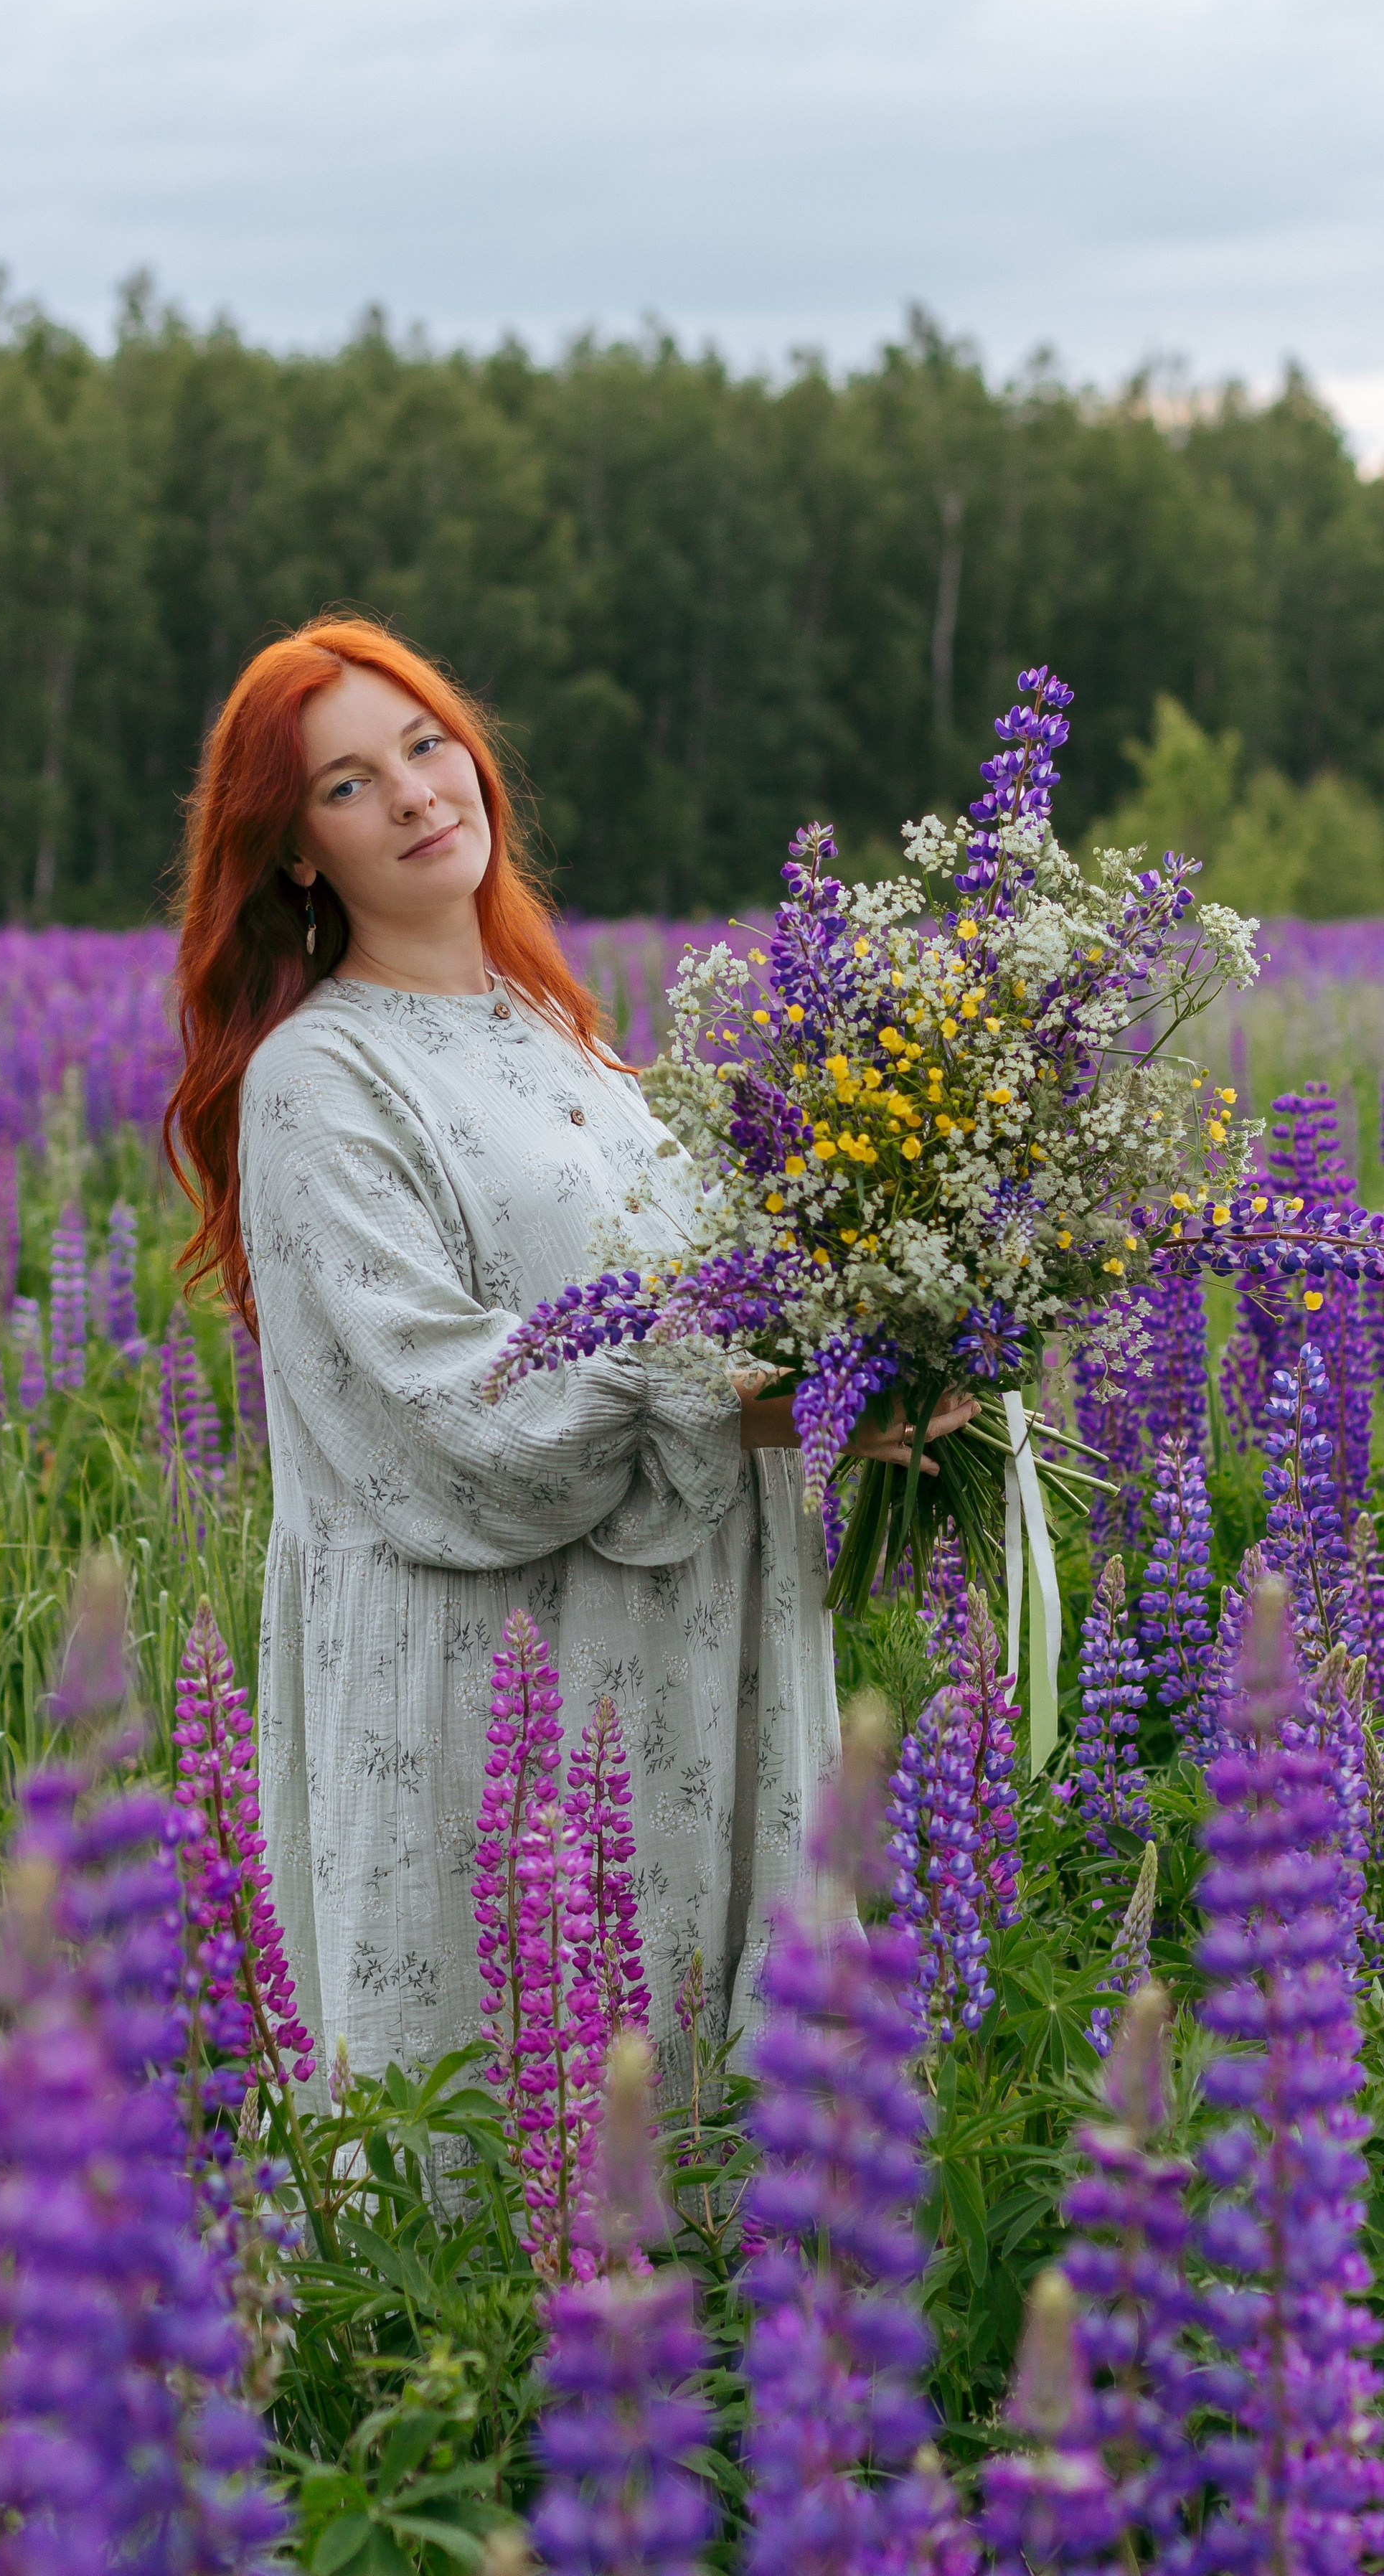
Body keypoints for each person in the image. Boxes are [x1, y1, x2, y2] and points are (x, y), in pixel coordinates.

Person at [166, 614, 972, 2090]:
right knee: (523, 2122)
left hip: (687, 1665)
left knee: (712, 2140)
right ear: (295, 854)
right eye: (347, 786)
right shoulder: (316, 1077)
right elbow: (445, 1415)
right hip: (500, 1709)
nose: (415, 795)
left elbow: (709, 1313)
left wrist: (879, 1341)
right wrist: (767, 1403)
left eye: (425, 746)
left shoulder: (560, 1035)